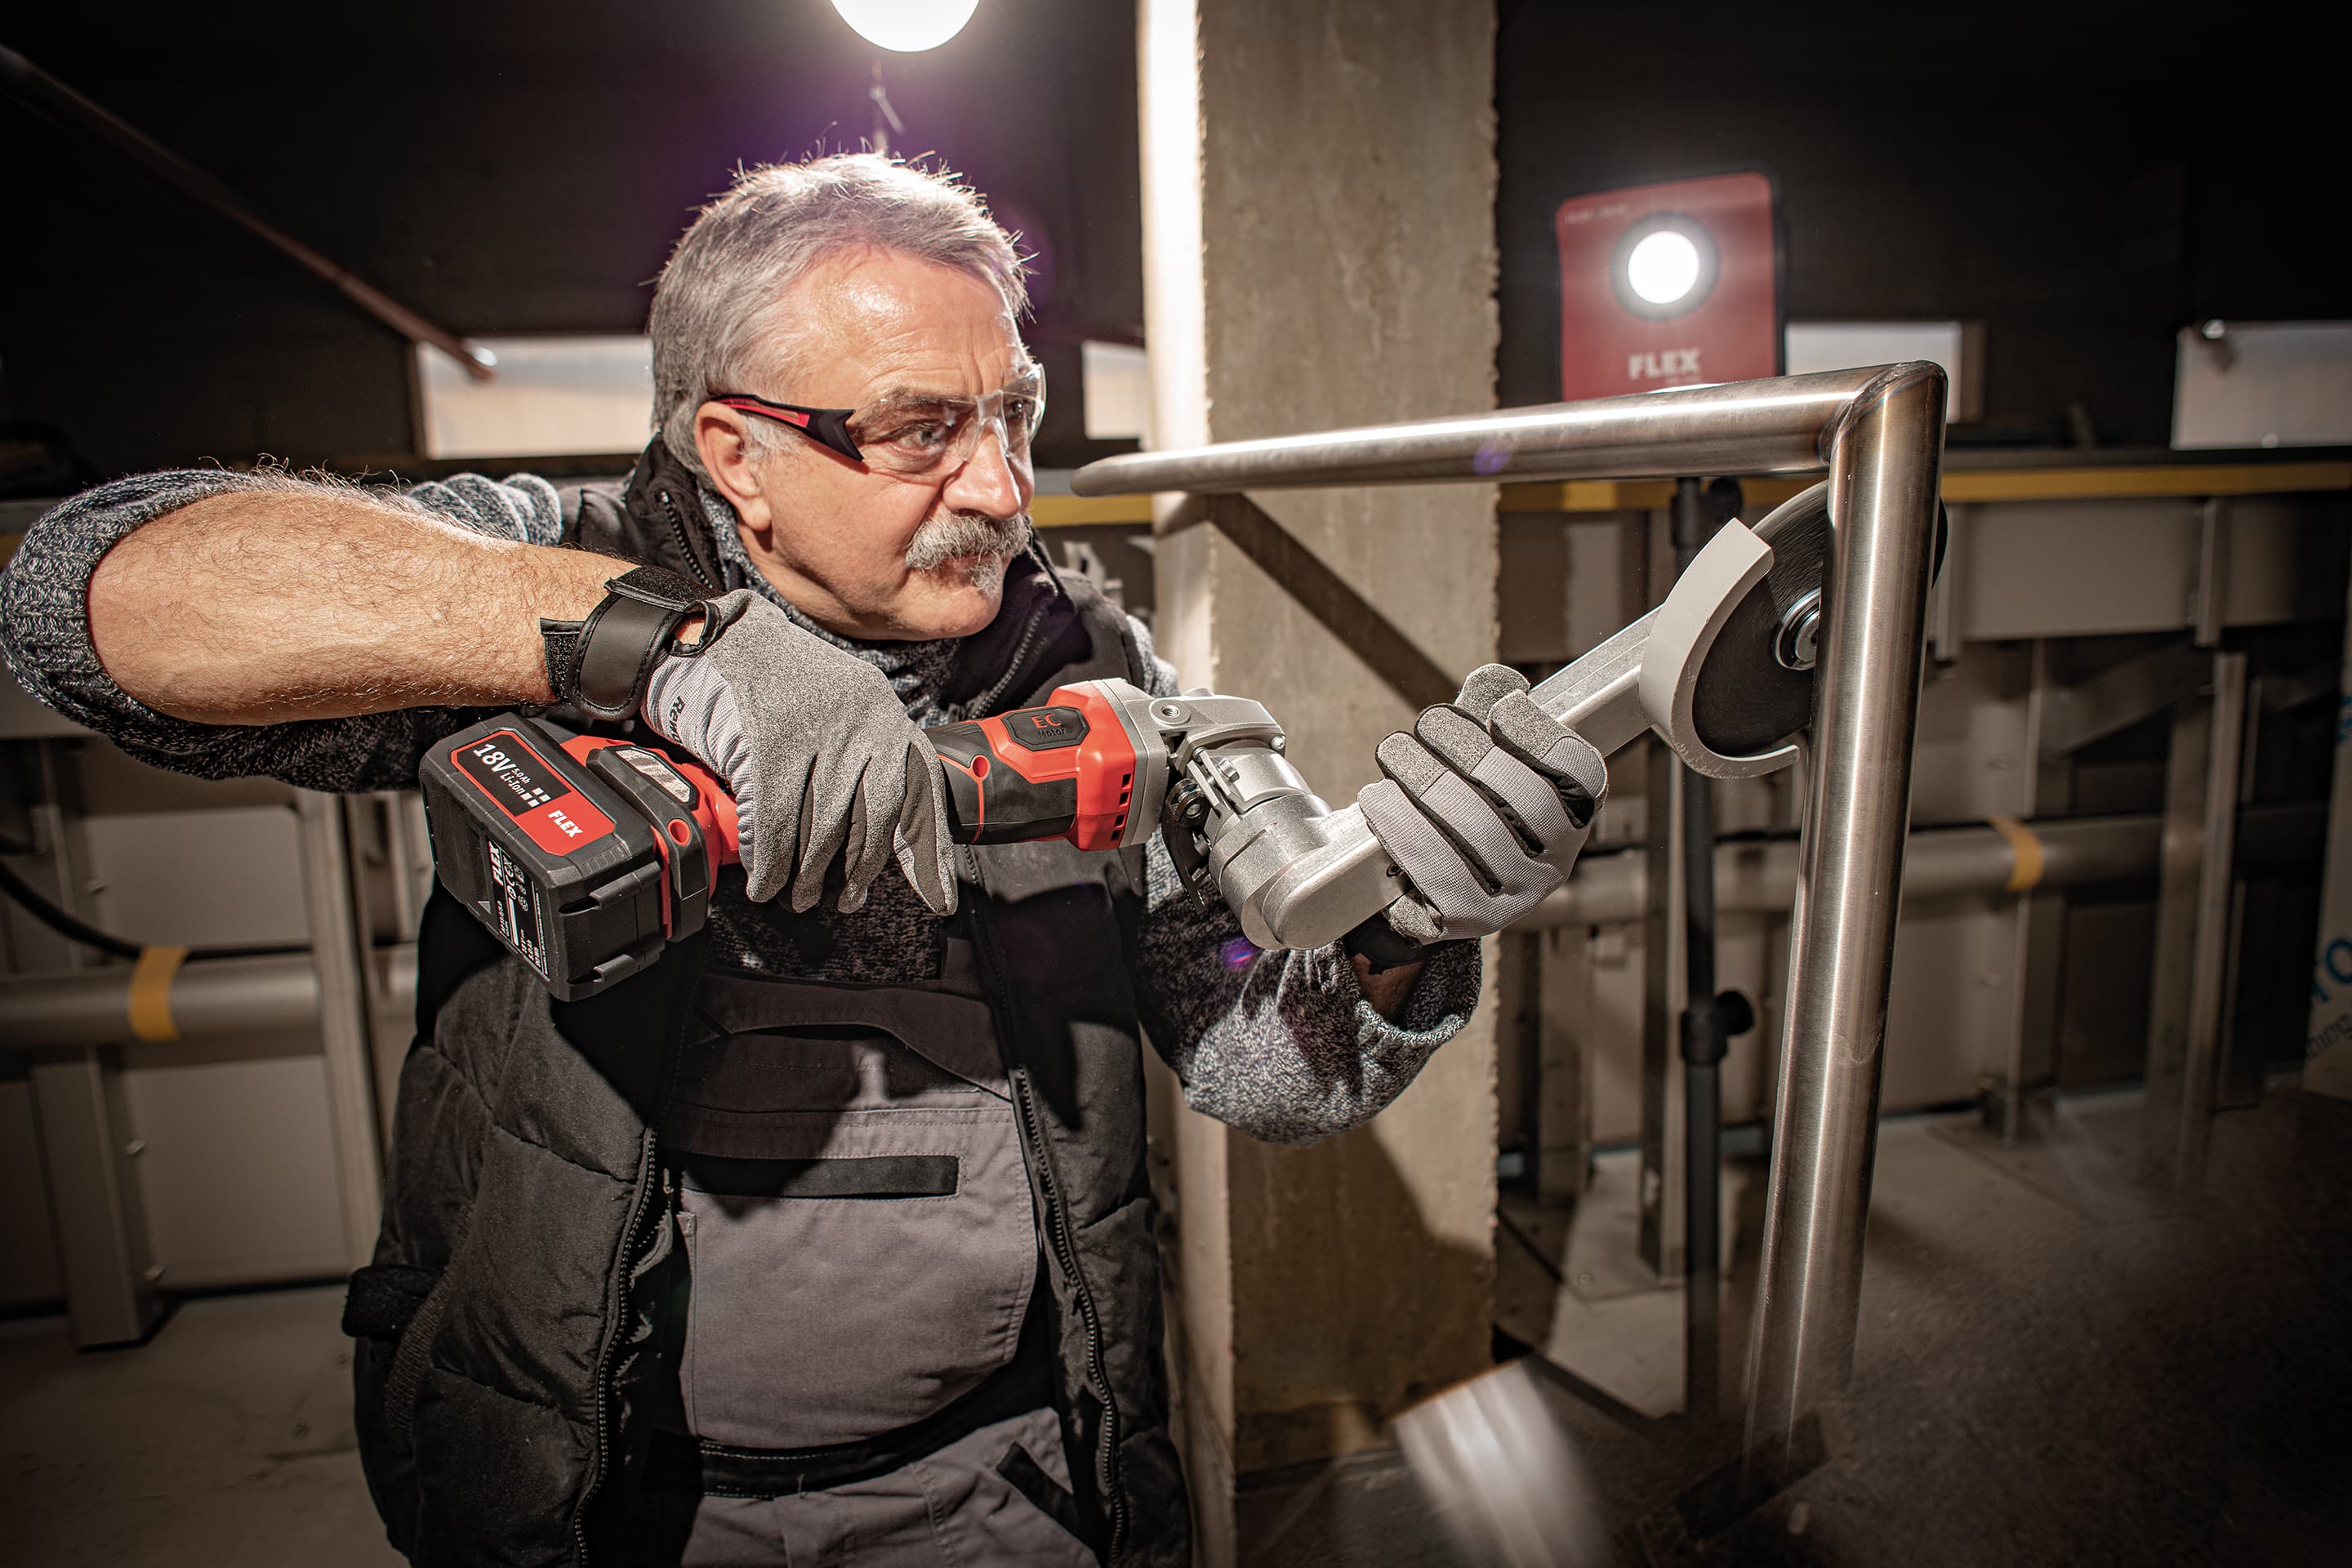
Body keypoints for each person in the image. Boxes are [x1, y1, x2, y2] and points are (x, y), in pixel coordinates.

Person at [0, 154, 1606, 1567]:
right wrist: (642, 643)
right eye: (917, 429)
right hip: (599, 1498)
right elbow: (84, 603)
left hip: (1005, 1480)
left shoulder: (1082, 669)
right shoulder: (541, 569)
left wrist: (1404, 924)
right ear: (734, 452)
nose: (998, 484)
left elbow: (1266, 1066)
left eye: (1013, 414)